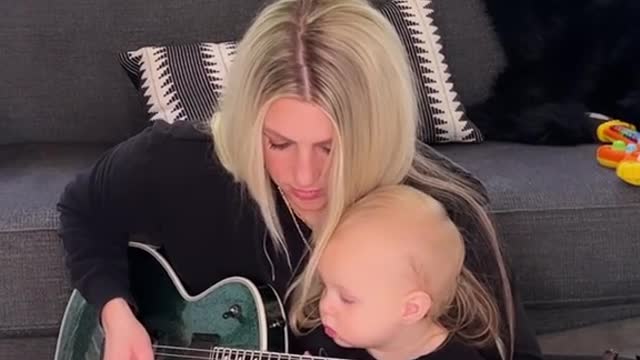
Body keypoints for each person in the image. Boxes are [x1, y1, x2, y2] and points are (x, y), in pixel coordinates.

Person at [56, 0, 543, 359]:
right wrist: (116, 315)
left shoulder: (444, 216)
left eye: (333, 148)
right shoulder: (180, 159)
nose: (304, 175)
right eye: (278, 143)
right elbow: (83, 209)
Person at [309, 184, 498, 360]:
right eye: (325, 287)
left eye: (347, 299)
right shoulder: (335, 339)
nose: (325, 306)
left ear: (411, 309)